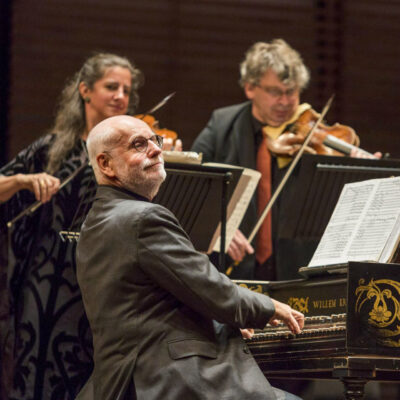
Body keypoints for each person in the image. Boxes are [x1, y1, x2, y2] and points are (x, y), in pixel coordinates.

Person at [75, 114, 304, 400]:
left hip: (119, 382)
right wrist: (268, 307)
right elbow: (210, 288)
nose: (157, 149)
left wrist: (223, 321)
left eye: (154, 140)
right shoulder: (144, 218)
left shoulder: (93, 223)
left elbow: (150, 303)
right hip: (165, 379)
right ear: (105, 164)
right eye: (138, 144)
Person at [0, 53, 143, 399]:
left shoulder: (129, 157)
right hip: (46, 284)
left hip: (98, 284)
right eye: (111, 86)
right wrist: (22, 180)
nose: (121, 96)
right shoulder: (52, 148)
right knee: (36, 372)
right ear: (84, 90)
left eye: (126, 89)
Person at [191, 39, 381, 281]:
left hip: (298, 267)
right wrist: (216, 227)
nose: (284, 102)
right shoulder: (222, 126)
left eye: (291, 92)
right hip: (233, 269)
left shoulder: (313, 134)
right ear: (250, 88)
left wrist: (360, 169)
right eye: (274, 92)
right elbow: (192, 184)